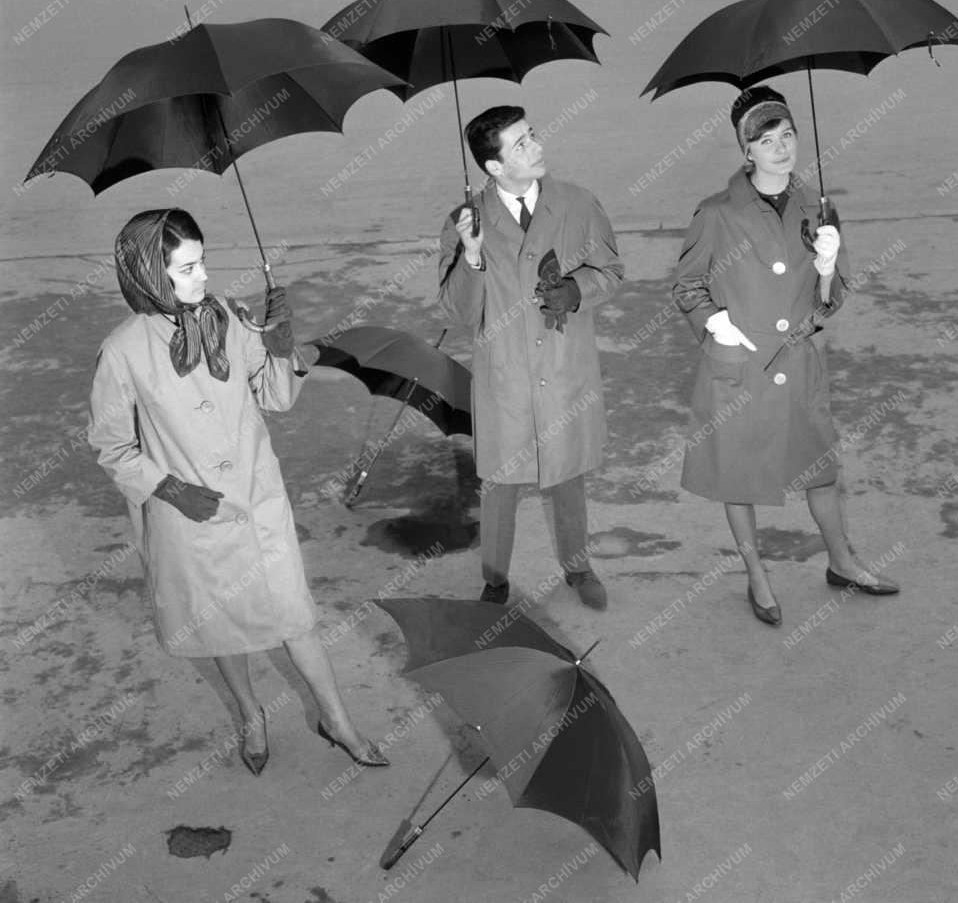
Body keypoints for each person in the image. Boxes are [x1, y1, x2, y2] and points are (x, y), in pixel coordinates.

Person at [88, 208, 388, 774]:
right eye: (187, 268)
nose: (203, 276)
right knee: (220, 624)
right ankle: (252, 714)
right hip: (194, 516)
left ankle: (338, 720)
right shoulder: (122, 351)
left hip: (257, 498)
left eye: (203, 261)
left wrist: (281, 347)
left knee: (295, 617)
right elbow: (111, 446)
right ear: (151, 276)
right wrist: (168, 489)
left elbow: (276, 398)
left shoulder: (230, 317)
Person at [672, 86, 899, 627]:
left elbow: (830, 301)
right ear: (746, 150)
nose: (782, 148)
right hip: (740, 363)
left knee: (820, 468)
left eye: (789, 135)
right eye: (767, 140)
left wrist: (827, 269)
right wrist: (716, 324)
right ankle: (756, 575)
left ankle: (842, 561)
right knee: (737, 475)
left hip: (797, 362)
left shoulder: (817, 206)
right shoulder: (716, 213)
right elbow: (686, 285)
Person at [438, 106, 623, 609]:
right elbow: (457, 311)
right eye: (520, 144)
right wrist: (471, 255)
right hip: (507, 378)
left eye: (532, 135)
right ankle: (495, 578)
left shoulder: (577, 203)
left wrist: (577, 290)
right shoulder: (465, 222)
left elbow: (610, 270)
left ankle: (578, 567)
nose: (537, 146)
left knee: (567, 475)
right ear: (494, 166)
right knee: (499, 485)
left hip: (563, 368)